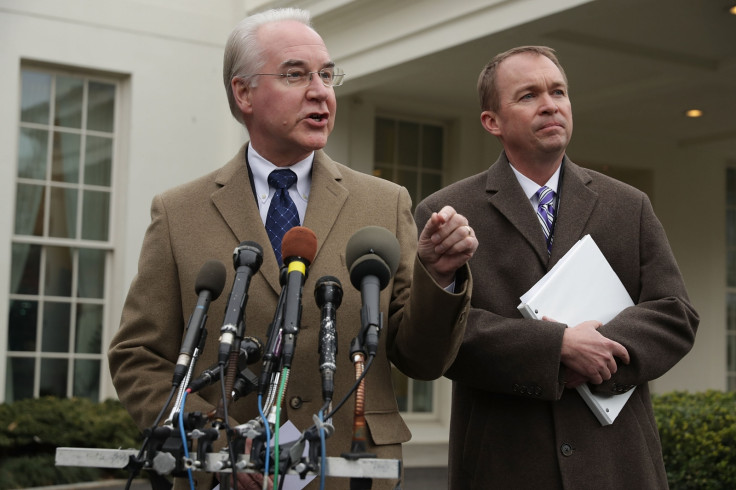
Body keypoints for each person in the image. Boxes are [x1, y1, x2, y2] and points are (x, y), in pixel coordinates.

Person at [108, 8, 478, 490]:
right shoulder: (180, 212)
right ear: (243, 93)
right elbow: (139, 355)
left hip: (350, 467)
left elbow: (422, 360)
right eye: (295, 74)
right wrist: (218, 444)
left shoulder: (384, 203)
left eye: (326, 74)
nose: (321, 90)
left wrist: (440, 276)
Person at [415, 46, 699, 489]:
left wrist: (600, 351)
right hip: (504, 464)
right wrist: (555, 347)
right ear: (492, 121)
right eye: (528, 95)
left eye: (558, 92)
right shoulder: (447, 213)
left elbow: (676, 312)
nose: (550, 104)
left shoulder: (629, 205)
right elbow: (442, 338)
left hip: (617, 464)